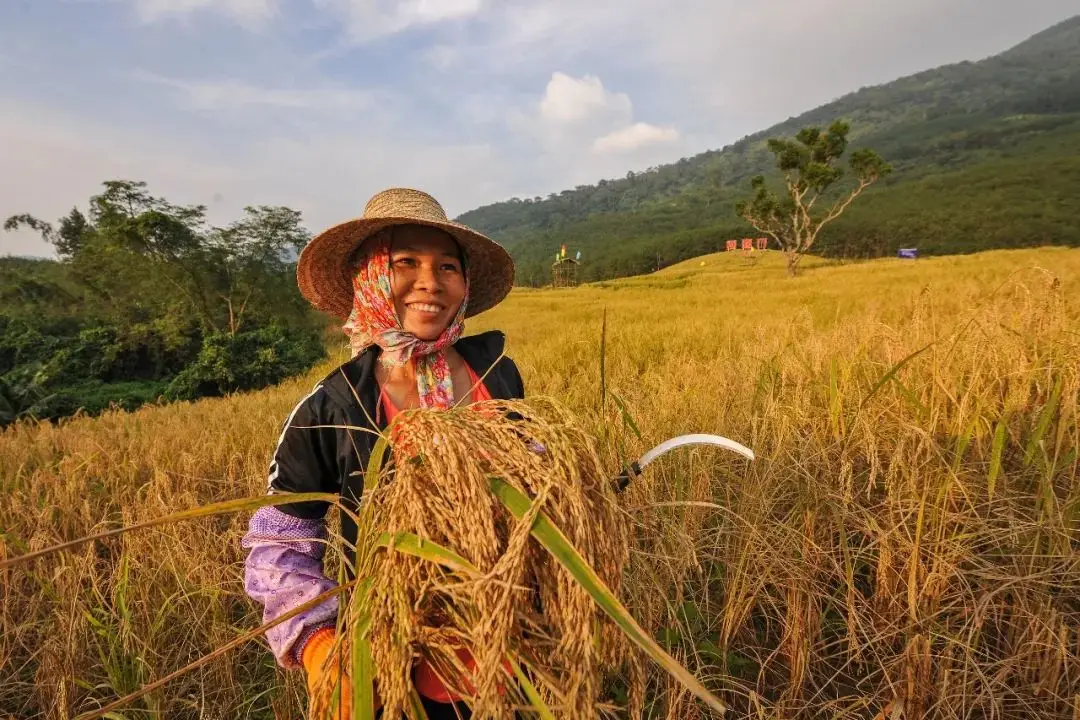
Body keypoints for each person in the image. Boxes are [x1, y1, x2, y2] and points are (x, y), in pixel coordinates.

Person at [241, 188, 524, 719]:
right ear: (369, 275)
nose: (430, 283)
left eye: (447, 266)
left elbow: (532, 482)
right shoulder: (331, 407)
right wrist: (320, 646)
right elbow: (278, 545)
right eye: (405, 263)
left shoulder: (498, 373)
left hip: (508, 653)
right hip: (392, 673)